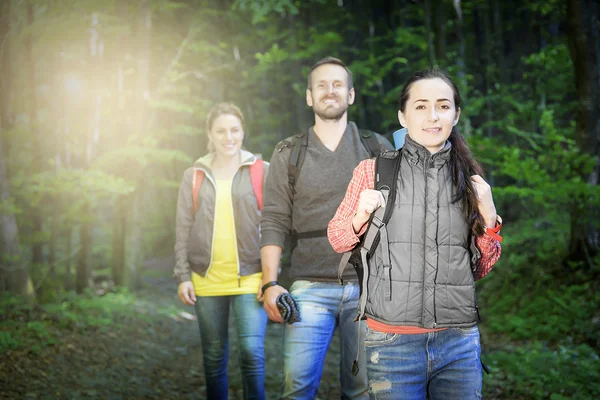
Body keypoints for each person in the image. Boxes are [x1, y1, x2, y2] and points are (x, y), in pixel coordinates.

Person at [328, 69, 503, 400]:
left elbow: (479, 268)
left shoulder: (470, 179)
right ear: (403, 116)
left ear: (456, 114)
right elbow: (337, 238)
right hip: (391, 344)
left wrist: (489, 216)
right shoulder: (374, 171)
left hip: (459, 344)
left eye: (443, 106)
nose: (432, 116)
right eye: (421, 106)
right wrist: (361, 215)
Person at [258, 56, 394, 399]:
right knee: (297, 388)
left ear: (350, 95)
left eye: (337, 84)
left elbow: (398, 219)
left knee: (364, 390)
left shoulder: (377, 148)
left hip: (368, 290)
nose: (329, 91)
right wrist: (270, 284)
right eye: (321, 85)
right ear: (309, 96)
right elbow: (273, 220)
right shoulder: (289, 153)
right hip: (308, 289)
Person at [174, 102, 269, 400]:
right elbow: (182, 227)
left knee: (252, 354)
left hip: (252, 277)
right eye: (221, 131)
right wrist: (182, 275)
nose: (228, 137)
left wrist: (272, 277)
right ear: (210, 134)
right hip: (206, 278)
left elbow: (275, 226)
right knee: (214, 358)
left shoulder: (261, 171)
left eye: (234, 130)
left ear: (243, 131)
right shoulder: (194, 175)